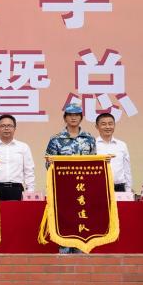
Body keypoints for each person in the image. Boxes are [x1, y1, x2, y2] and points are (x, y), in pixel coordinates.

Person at [45, 104, 96, 254]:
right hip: (64, 189)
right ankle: (64, 254)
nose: (73, 118)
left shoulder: (89, 139)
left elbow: (94, 162)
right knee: (65, 221)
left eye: (77, 115)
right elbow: (48, 165)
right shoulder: (56, 139)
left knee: (82, 219)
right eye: (70, 115)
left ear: (81, 118)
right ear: (65, 118)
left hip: (83, 189)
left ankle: (81, 253)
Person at [0, 114, 35, 201]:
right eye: (3, 126)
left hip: (16, 190)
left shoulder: (23, 147)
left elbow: (29, 171)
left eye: (9, 125)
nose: (6, 128)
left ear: (15, 128)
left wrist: (30, 191)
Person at [94, 113, 131, 193]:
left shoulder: (122, 145)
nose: (107, 127)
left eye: (110, 124)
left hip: (119, 187)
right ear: (97, 126)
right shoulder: (92, 145)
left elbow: (127, 169)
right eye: (103, 124)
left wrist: (128, 190)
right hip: (98, 186)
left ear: (114, 125)